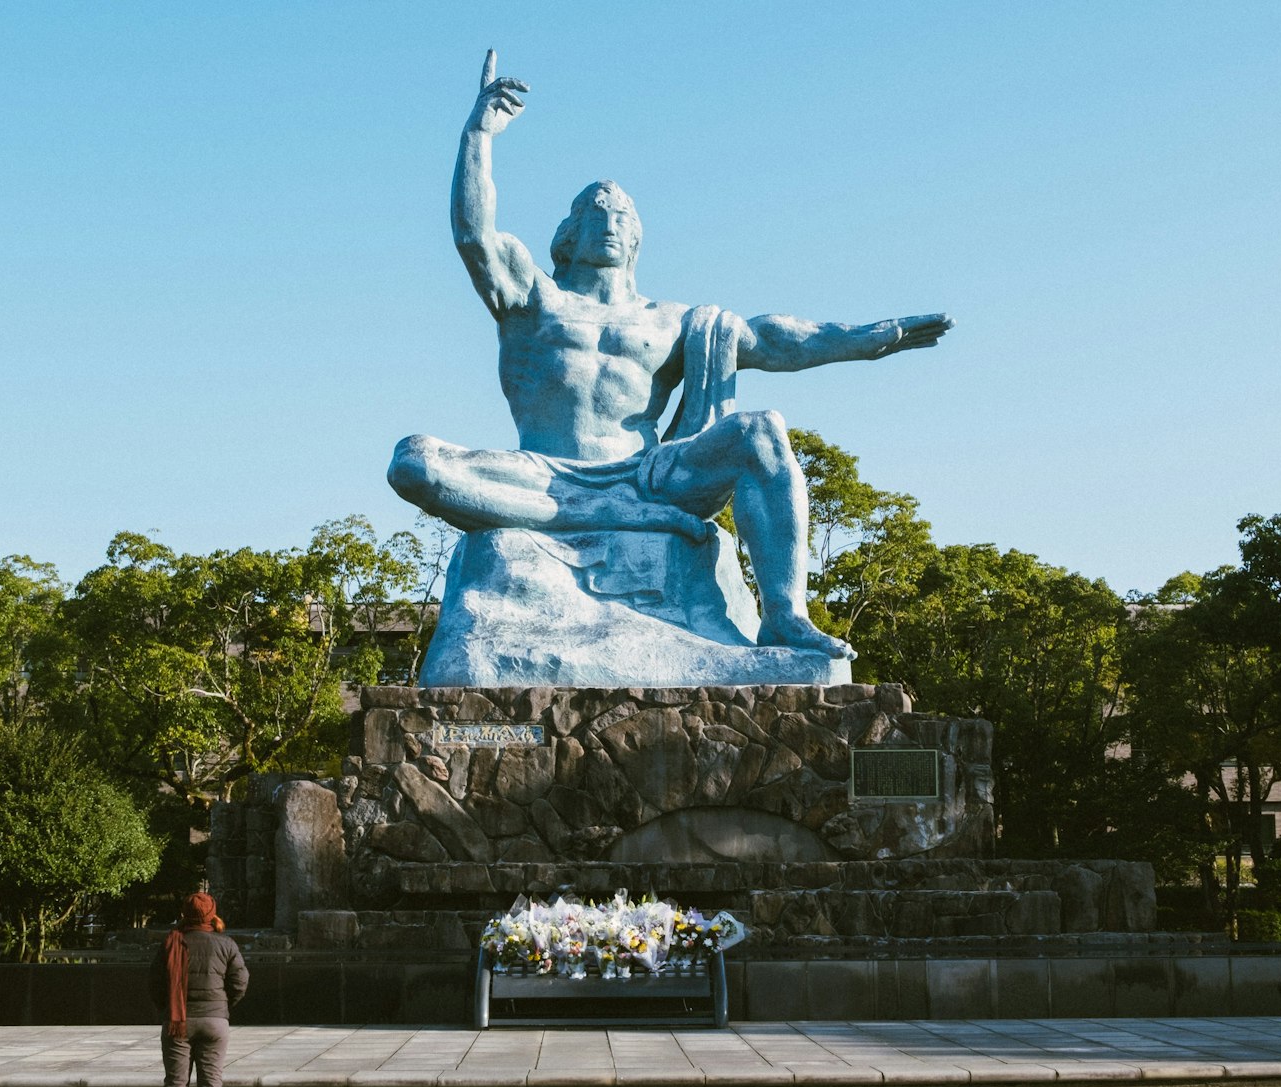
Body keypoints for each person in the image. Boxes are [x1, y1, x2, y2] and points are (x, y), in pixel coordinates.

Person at [388, 50, 952, 661]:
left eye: (622, 215)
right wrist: (479, 134)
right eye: (594, 212)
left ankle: (786, 615)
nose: (610, 221)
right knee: (415, 464)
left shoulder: (675, 321)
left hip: (649, 475)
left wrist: (868, 339)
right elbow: (474, 234)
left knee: (763, 433)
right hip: (542, 471)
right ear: (568, 235)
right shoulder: (533, 298)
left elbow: (778, 339)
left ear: (637, 237)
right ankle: (602, 511)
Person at [148, 892, 248, 1087]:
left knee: (175, 1081)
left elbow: (155, 983)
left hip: (177, 1021)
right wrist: (223, 1007)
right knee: (211, 1080)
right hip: (215, 1021)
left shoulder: (171, 942)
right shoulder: (226, 944)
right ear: (212, 913)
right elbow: (240, 982)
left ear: (184, 914)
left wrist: (167, 1009)